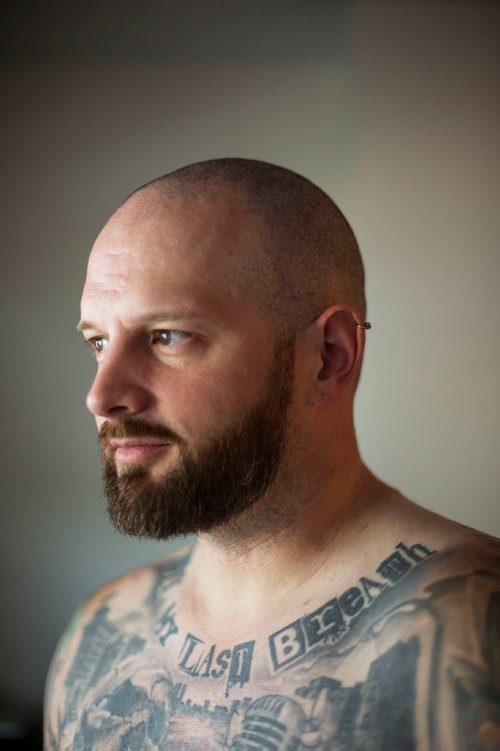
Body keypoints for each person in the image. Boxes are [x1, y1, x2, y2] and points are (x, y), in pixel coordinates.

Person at [44, 158, 500, 750]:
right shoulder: (98, 635)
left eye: (168, 336)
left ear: (328, 357)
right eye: (99, 342)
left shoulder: (474, 631)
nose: (101, 396)